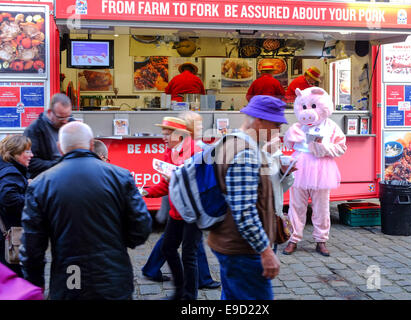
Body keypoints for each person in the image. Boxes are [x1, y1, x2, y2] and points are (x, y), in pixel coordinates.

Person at [19, 122, 152, 300]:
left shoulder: (41, 184)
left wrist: (35, 283)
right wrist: (118, 242)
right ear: (91, 144)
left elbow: (32, 246)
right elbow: (141, 227)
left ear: (60, 148)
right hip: (112, 275)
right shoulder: (120, 177)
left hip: (70, 276)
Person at [208, 95, 290, 300]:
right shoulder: (245, 152)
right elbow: (244, 211)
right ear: (260, 120)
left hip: (230, 243)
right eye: (277, 124)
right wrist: (266, 251)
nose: (278, 130)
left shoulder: (231, 141)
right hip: (243, 250)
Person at [141, 112, 220, 290]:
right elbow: (164, 185)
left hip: (192, 211)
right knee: (169, 248)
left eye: (167, 133)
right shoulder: (170, 151)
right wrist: (145, 192)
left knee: (188, 254)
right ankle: (184, 284)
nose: (163, 137)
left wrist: (175, 179)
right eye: (163, 133)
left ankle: (189, 291)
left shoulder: (195, 151)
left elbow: (200, 186)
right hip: (177, 211)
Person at [283, 87, 347, 257]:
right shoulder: (298, 126)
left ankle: (321, 240)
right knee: (295, 206)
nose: (308, 112)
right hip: (300, 167)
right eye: (304, 107)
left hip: (322, 169)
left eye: (313, 106)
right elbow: (288, 144)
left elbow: (341, 148)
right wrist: (290, 136)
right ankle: (293, 238)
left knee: (322, 207)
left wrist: (323, 147)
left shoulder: (331, 127)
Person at [0, 135, 33, 277]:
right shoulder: (11, 172)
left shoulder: (8, 169)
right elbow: (8, 198)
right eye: (27, 151)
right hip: (10, 234)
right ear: (15, 153)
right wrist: (31, 197)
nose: (31, 155)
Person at [24, 93, 73, 179]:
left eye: (68, 116)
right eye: (61, 117)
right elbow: (30, 162)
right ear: (50, 112)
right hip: (44, 180)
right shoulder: (34, 130)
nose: (65, 121)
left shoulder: (72, 123)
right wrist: (58, 164)